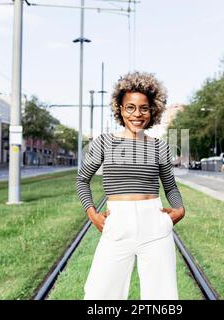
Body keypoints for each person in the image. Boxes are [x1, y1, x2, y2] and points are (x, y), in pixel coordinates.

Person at [76, 71, 186, 300]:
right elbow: (82, 180)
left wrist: (179, 209)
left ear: (152, 110)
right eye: (130, 108)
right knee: (100, 296)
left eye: (144, 108)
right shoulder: (104, 143)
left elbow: (170, 188)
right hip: (117, 226)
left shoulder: (160, 147)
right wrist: (92, 215)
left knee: (161, 299)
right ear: (120, 109)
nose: (137, 114)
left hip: (155, 227)